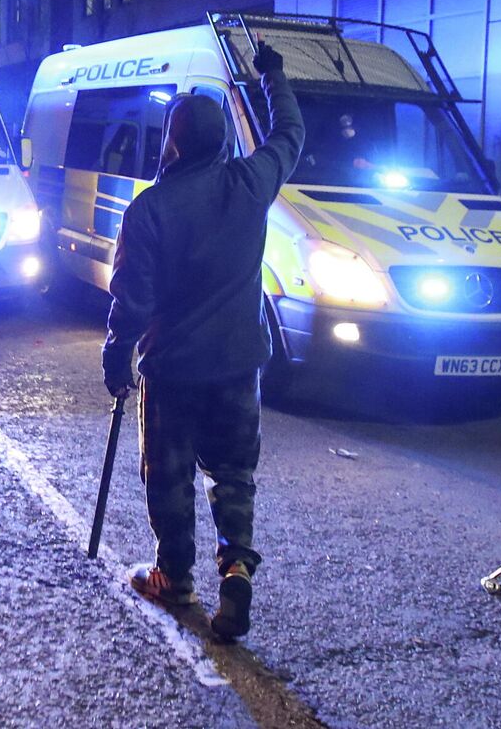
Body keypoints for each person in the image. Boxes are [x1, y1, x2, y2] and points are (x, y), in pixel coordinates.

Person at [102, 40, 303, 642]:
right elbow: (289, 133)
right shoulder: (251, 182)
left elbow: (130, 300)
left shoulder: (150, 209)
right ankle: (237, 570)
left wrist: (118, 360)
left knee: (169, 477)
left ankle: (175, 577)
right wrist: (273, 75)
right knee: (234, 473)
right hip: (241, 365)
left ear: (174, 141)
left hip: (174, 371)